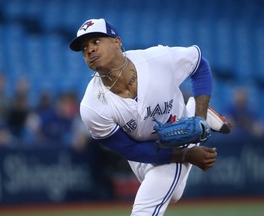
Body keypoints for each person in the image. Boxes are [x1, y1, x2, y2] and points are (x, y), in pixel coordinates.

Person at [69, 18, 221, 215]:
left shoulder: (157, 59)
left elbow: (199, 64)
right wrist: (187, 156)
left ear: (117, 42)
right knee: (173, 194)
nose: (89, 50)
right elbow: (131, 149)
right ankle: (192, 109)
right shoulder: (92, 107)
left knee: (145, 208)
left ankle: (195, 114)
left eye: (96, 41)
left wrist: (199, 119)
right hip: (142, 148)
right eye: (84, 48)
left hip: (180, 131)